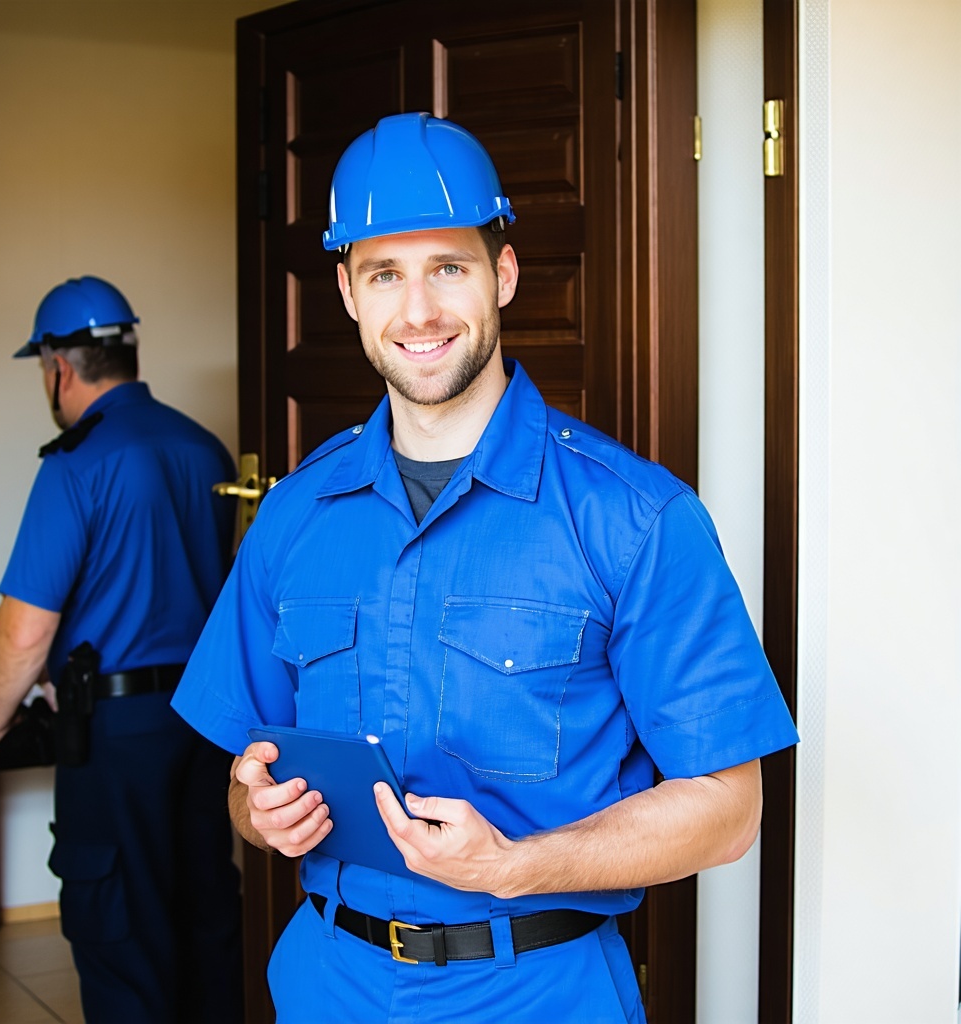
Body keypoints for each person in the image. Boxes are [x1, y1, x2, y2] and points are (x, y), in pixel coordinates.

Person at [171, 113, 799, 1023]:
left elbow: (729, 810)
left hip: (537, 991)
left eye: (448, 268)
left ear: (502, 274)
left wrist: (516, 865)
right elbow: (245, 768)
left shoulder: (635, 518)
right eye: (384, 274)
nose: (418, 312)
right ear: (347, 293)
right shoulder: (295, 516)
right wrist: (257, 811)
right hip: (327, 984)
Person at [0, 275, 244, 1024]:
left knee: (123, 926)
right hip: (202, 718)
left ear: (59, 367)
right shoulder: (206, 448)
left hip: (114, 732)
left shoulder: (76, 463)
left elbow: (25, 628)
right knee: (203, 910)